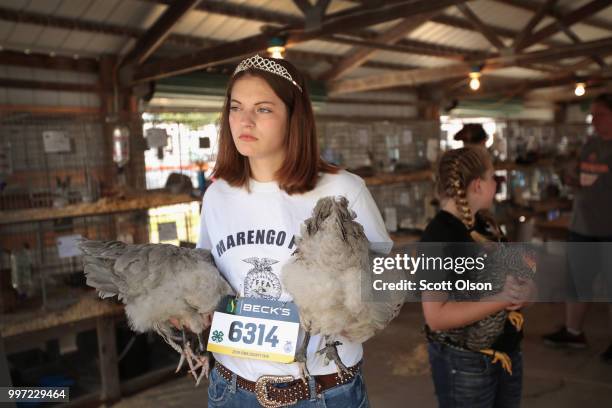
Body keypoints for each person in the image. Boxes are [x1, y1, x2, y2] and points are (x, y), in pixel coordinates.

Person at [195, 54, 392, 407]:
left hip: (322, 390)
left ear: (293, 117)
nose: (245, 120)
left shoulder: (342, 190)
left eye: (263, 109)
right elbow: (209, 275)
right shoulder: (217, 194)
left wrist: (357, 312)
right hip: (232, 389)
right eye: (236, 107)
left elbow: (384, 275)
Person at [421, 146, 532, 408]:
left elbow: (521, 276)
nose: (497, 184)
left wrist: (526, 292)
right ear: (479, 185)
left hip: (507, 351)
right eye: (494, 177)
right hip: (465, 363)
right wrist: (503, 299)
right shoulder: (438, 236)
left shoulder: (486, 224)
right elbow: (436, 317)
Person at [542, 93, 612, 364]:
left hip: (608, 228)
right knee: (577, 282)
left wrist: (592, 183)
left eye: (600, 115)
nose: (594, 120)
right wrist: (570, 177)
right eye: (592, 115)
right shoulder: (590, 144)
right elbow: (580, 174)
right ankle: (574, 332)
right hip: (582, 224)